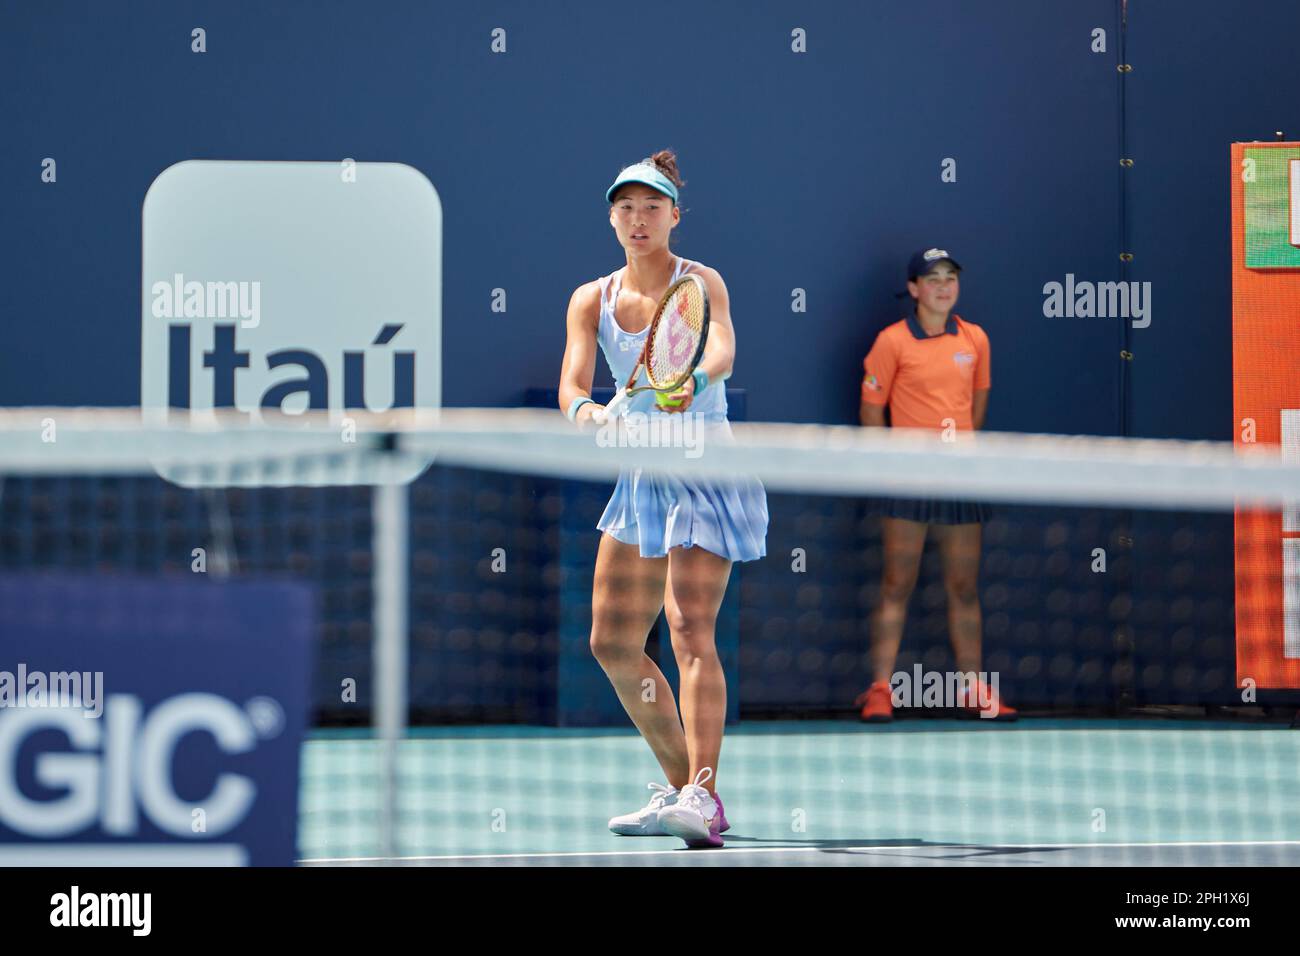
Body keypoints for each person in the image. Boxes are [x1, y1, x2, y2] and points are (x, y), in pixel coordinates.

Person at [557, 150, 768, 847]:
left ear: (674, 215)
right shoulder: (591, 298)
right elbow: (571, 389)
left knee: (687, 629)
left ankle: (700, 798)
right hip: (643, 475)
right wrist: (591, 417)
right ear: (611, 217)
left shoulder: (700, 281)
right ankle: (690, 791)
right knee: (612, 641)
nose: (638, 218)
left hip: (704, 466)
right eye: (626, 206)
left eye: (652, 207)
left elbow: (722, 352)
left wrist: (693, 385)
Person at [856, 247, 1015, 721]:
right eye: (932, 279)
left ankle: (972, 688)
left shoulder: (976, 339)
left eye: (950, 277)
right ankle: (881, 689)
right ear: (913, 289)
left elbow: (977, 406)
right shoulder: (890, 342)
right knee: (895, 583)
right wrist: (890, 466)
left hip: (961, 479)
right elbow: (870, 410)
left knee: (964, 586)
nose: (943, 286)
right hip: (907, 480)